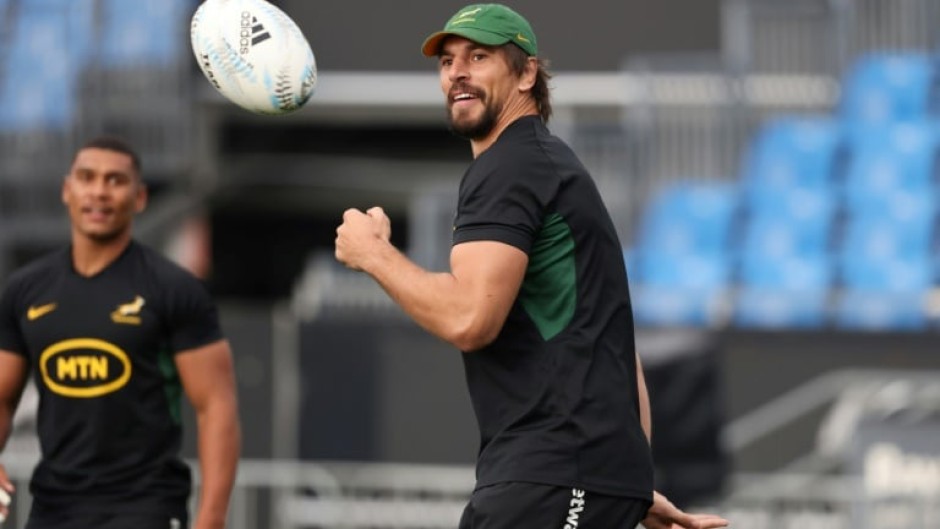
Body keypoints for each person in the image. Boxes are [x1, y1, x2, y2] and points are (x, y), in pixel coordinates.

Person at [335, 3, 729, 528]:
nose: (457, 72)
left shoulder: (511, 166)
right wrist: (626, 483)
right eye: (447, 61)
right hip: (580, 478)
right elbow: (617, 351)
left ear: (527, 73)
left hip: (550, 479)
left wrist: (374, 254)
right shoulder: (550, 164)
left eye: (479, 56)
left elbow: (469, 320)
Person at [0, 137, 241, 529]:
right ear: (67, 190)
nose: (99, 191)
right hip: (53, 509)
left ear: (140, 197)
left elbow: (216, 405)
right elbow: (3, 397)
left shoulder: (174, 289)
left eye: (115, 180)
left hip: (144, 508)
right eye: (87, 177)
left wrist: (212, 517)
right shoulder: (25, 289)